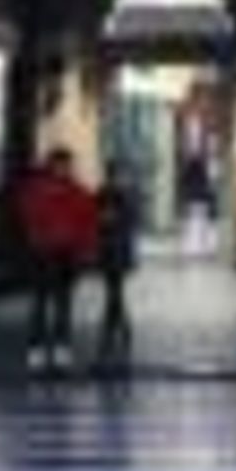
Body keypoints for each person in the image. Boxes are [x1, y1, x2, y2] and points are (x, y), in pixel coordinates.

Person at [16, 145, 96, 375]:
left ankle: (58, 350)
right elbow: (28, 216)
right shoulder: (38, 191)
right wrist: (36, 236)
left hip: (64, 254)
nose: (65, 170)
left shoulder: (76, 192)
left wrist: (85, 251)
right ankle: (39, 350)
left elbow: (87, 224)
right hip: (44, 253)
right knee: (42, 304)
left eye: (67, 166)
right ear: (52, 166)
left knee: (62, 304)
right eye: (61, 166)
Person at [93, 158, 139, 377]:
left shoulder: (113, 194)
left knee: (114, 291)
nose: (121, 178)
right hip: (113, 251)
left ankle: (114, 330)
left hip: (115, 251)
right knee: (114, 291)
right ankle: (120, 328)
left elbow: (128, 221)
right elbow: (101, 220)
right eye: (119, 174)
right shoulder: (108, 194)